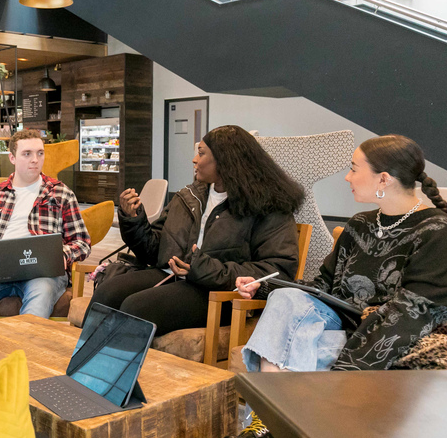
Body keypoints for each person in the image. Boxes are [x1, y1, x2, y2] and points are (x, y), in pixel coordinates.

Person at [215, 134, 447, 438]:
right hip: (339, 320)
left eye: (353, 169)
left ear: (384, 178)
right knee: (286, 297)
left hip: (385, 336)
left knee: (302, 352)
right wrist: (265, 288)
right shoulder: (359, 225)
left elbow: (420, 308)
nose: (347, 178)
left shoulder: (436, 231)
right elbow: (324, 287)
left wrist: (349, 367)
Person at [90, 125, 303, 337]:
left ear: (226, 161)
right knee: (107, 294)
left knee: (136, 308)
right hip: (173, 277)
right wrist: (134, 220)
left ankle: (117, 369)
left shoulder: (268, 206)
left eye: (201, 153)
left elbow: (277, 270)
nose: (194, 159)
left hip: (218, 292)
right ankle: (85, 369)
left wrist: (204, 269)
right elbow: (155, 252)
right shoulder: (189, 196)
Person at [0, 128, 91, 324]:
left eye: (40, 153)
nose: (35, 159)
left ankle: (23, 351)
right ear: (12, 158)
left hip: (42, 271)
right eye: (27, 154)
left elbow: (82, 242)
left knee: (41, 294)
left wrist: (61, 255)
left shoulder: (61, 193)